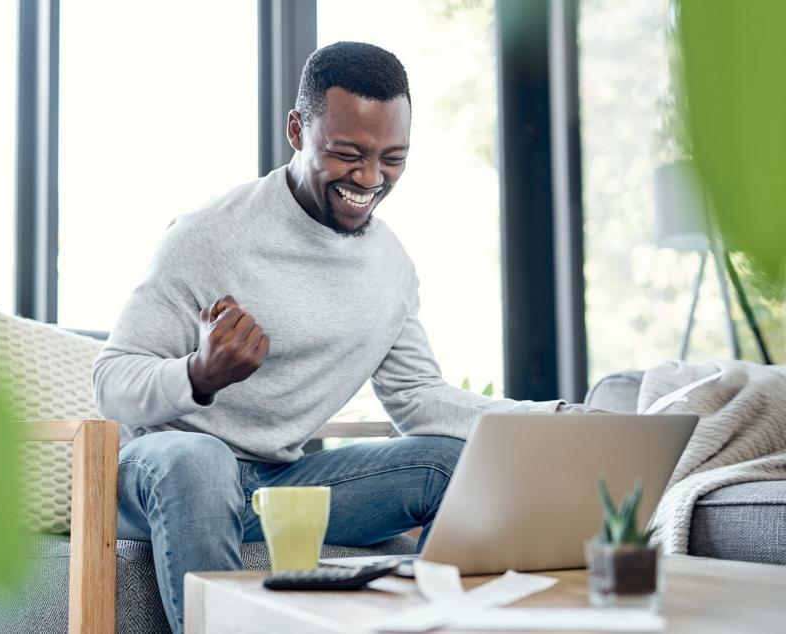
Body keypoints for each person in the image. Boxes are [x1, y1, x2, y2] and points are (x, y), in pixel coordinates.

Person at [93, 41, 565, 634]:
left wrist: (555, 417)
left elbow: (418, 397)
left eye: (392, 157)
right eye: (347, 154)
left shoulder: (390, 266)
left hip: (279, 486)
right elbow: (110, 379)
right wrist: (198, 374)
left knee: (449, 464)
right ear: (297, 130)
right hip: (165, 477)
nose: (370, 178)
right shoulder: (209, 236)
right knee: (200, 458)